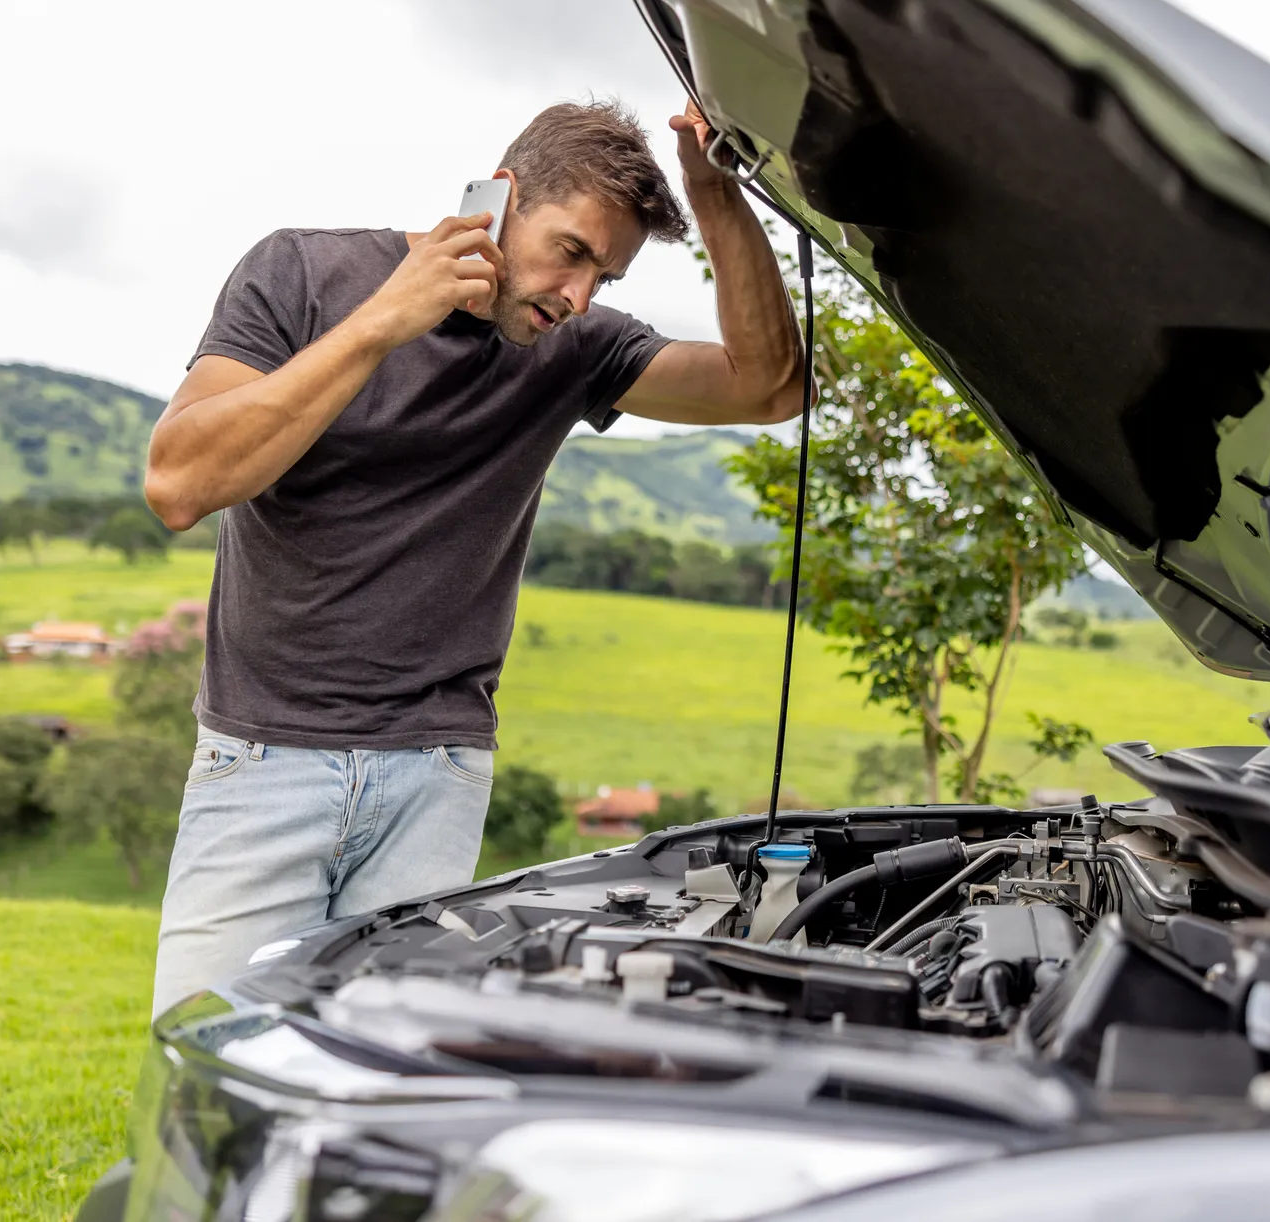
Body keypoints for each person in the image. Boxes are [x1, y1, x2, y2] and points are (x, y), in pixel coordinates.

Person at [142, 98, 802, 1015]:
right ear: (498, 198)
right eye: (571, 251)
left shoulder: (573, 349)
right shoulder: (300, 271)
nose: (578, 298)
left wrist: (716, 195)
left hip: (438, 773)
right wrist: (384, 322)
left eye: (604, 278)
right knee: (209, 1048)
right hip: (262, 761)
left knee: (388, 1079)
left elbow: (768, 387)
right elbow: (181, 482)